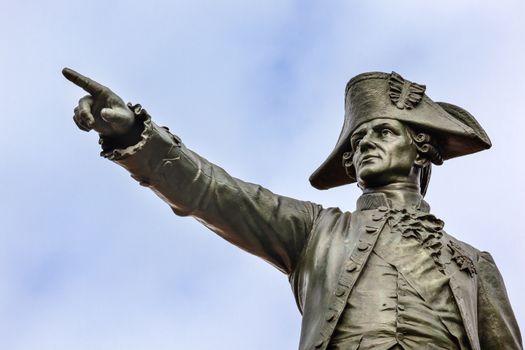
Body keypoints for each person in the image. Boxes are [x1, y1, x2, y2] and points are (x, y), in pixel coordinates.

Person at [63, 68, 522, 350]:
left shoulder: (474, 265)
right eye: (357, 141)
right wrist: (134, 138)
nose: (365, 146)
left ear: (422, 149)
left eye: (383, 133)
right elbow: (213, 193)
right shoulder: (316, 231)